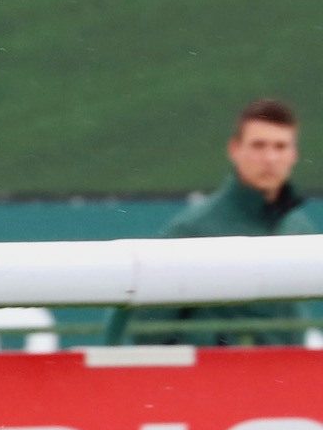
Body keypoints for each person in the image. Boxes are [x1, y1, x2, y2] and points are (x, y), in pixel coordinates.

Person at [106, 98, 316, 346]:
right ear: (235, 149)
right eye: (259, 145)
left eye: (280, 147)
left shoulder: (299, 229)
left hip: (289, 381)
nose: (270, 158)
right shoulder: (194, 230)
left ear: (294, 155)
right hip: (219, 382)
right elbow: (145, 332)